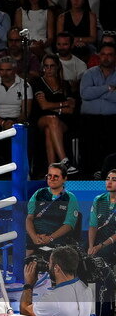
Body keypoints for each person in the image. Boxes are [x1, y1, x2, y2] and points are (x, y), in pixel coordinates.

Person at [30, 56, 78, 173]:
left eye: (52, 66)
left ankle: (52, 170)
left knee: (50, 128)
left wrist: (55, 108)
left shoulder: (65, 84)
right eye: (46, 66)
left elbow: (71, 109)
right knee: (52, 119)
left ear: (57, 67)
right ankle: (64, 161)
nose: (49, 69)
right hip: (41, 119)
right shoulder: (38, 82)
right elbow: (43, 106)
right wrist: (63, 104)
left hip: (63, 121)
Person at [25, 163, 80, 254]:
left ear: (64, 179)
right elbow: (29, 218)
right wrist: (34, 236)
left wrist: (50, 238)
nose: (51, 179)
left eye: (56, 176)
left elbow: (69, 225)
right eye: (49, 175)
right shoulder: (38, 193)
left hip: (57, 242)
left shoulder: (70, 198)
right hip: (35, 239)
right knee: (29, 263)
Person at [79, 43, 116, 177]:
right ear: (99, 56)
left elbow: (91, 94)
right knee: (89, 144)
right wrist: (107, 88)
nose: (106, 58)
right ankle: (89, 176)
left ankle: (110, 175)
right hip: (90, 119)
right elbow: (85, 94)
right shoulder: (89, 74)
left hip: (113, 119)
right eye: (103, 54)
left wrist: (96, 92)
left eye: (110, 55)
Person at [88, 169, 116, 263]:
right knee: (80, 251)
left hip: (112, 241)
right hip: (99, 238)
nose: (109, 182)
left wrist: (101, 246)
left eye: (114, 179)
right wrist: (91, 246)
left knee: (102, 254)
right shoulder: (99, 199)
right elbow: (93, 225)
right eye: (108, 179)